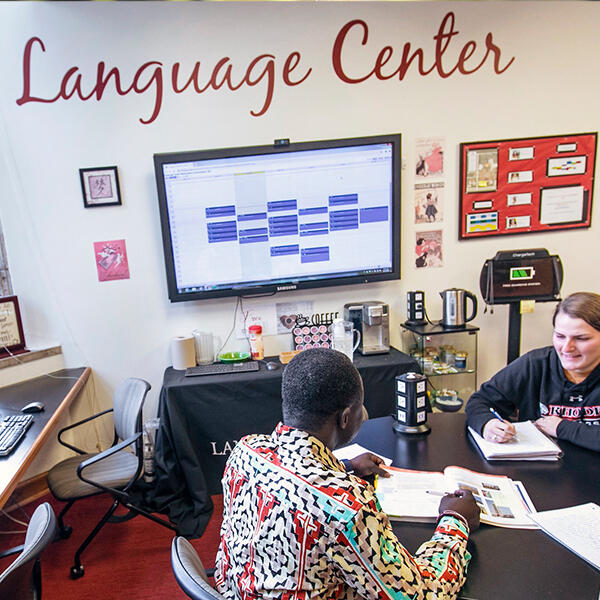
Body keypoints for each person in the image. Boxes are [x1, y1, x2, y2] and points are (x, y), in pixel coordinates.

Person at [215, 348, 480, 600]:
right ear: (344, 418)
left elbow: (293, 484)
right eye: (359, 407)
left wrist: (344, 467)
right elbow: (420, 594)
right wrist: (455, 522)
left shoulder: (245, 451)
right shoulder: (347, 508)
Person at [466, 292, 600, 452]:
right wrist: (488, 424)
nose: (566, 348)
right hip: (540, 470)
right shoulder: (536, 364)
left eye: (581, 338)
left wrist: (562, 428)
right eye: (560, 336)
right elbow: (480, 401)